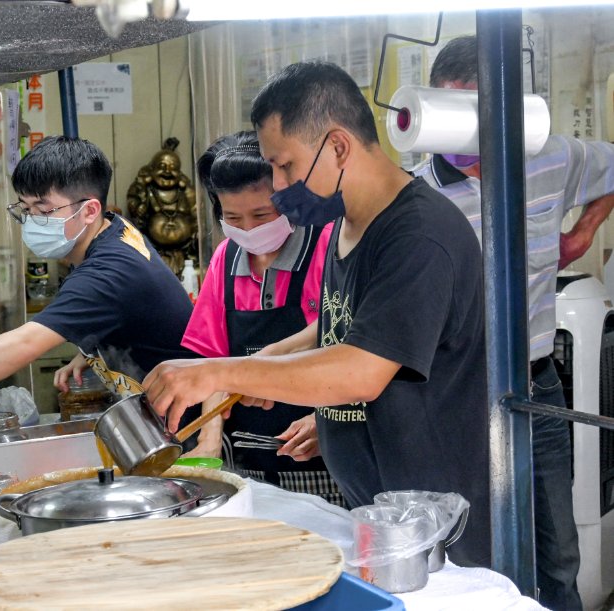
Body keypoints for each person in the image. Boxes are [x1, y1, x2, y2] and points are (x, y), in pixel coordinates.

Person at [142, 61, 492, 568]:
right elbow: (346, 324)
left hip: (434, 519)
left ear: (338, 147)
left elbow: (363, 371)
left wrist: (217, 370)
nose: (278, 186)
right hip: (378, 508)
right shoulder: (350, 222)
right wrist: (275, 365)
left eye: (285, 165)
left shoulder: (418, 237)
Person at [415, 35, 614, 611]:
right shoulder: (415, 197)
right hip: (453, 394)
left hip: (536, 383)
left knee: (557, 548)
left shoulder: (549, 157)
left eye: (476, 113)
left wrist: (582, 234)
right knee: (471, 553)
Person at [0, 136, 195, 396]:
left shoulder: (108, 272)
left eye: (44, 211)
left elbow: (24, 343)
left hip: (186, 424)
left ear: (90, 210)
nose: (32, 222)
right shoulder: (112, 228)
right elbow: (131, 311)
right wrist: (93, 351)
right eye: (26, 209)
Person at [182, 130, 342, 504]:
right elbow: (217, 362)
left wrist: (330, 420)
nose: (249, 229)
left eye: (262, 214)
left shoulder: (328, 243)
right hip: (249, 459)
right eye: (233, 217)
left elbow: (347, 338)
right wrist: (208, 439)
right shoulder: (225, 258)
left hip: (323, 460)